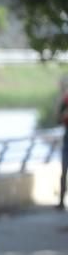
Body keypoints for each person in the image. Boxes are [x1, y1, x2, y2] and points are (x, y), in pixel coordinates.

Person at [57, 76, 68, 210]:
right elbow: (59, 119)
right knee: (63, 171)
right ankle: (61, 200)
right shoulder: (65, 102)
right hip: (66, 141)